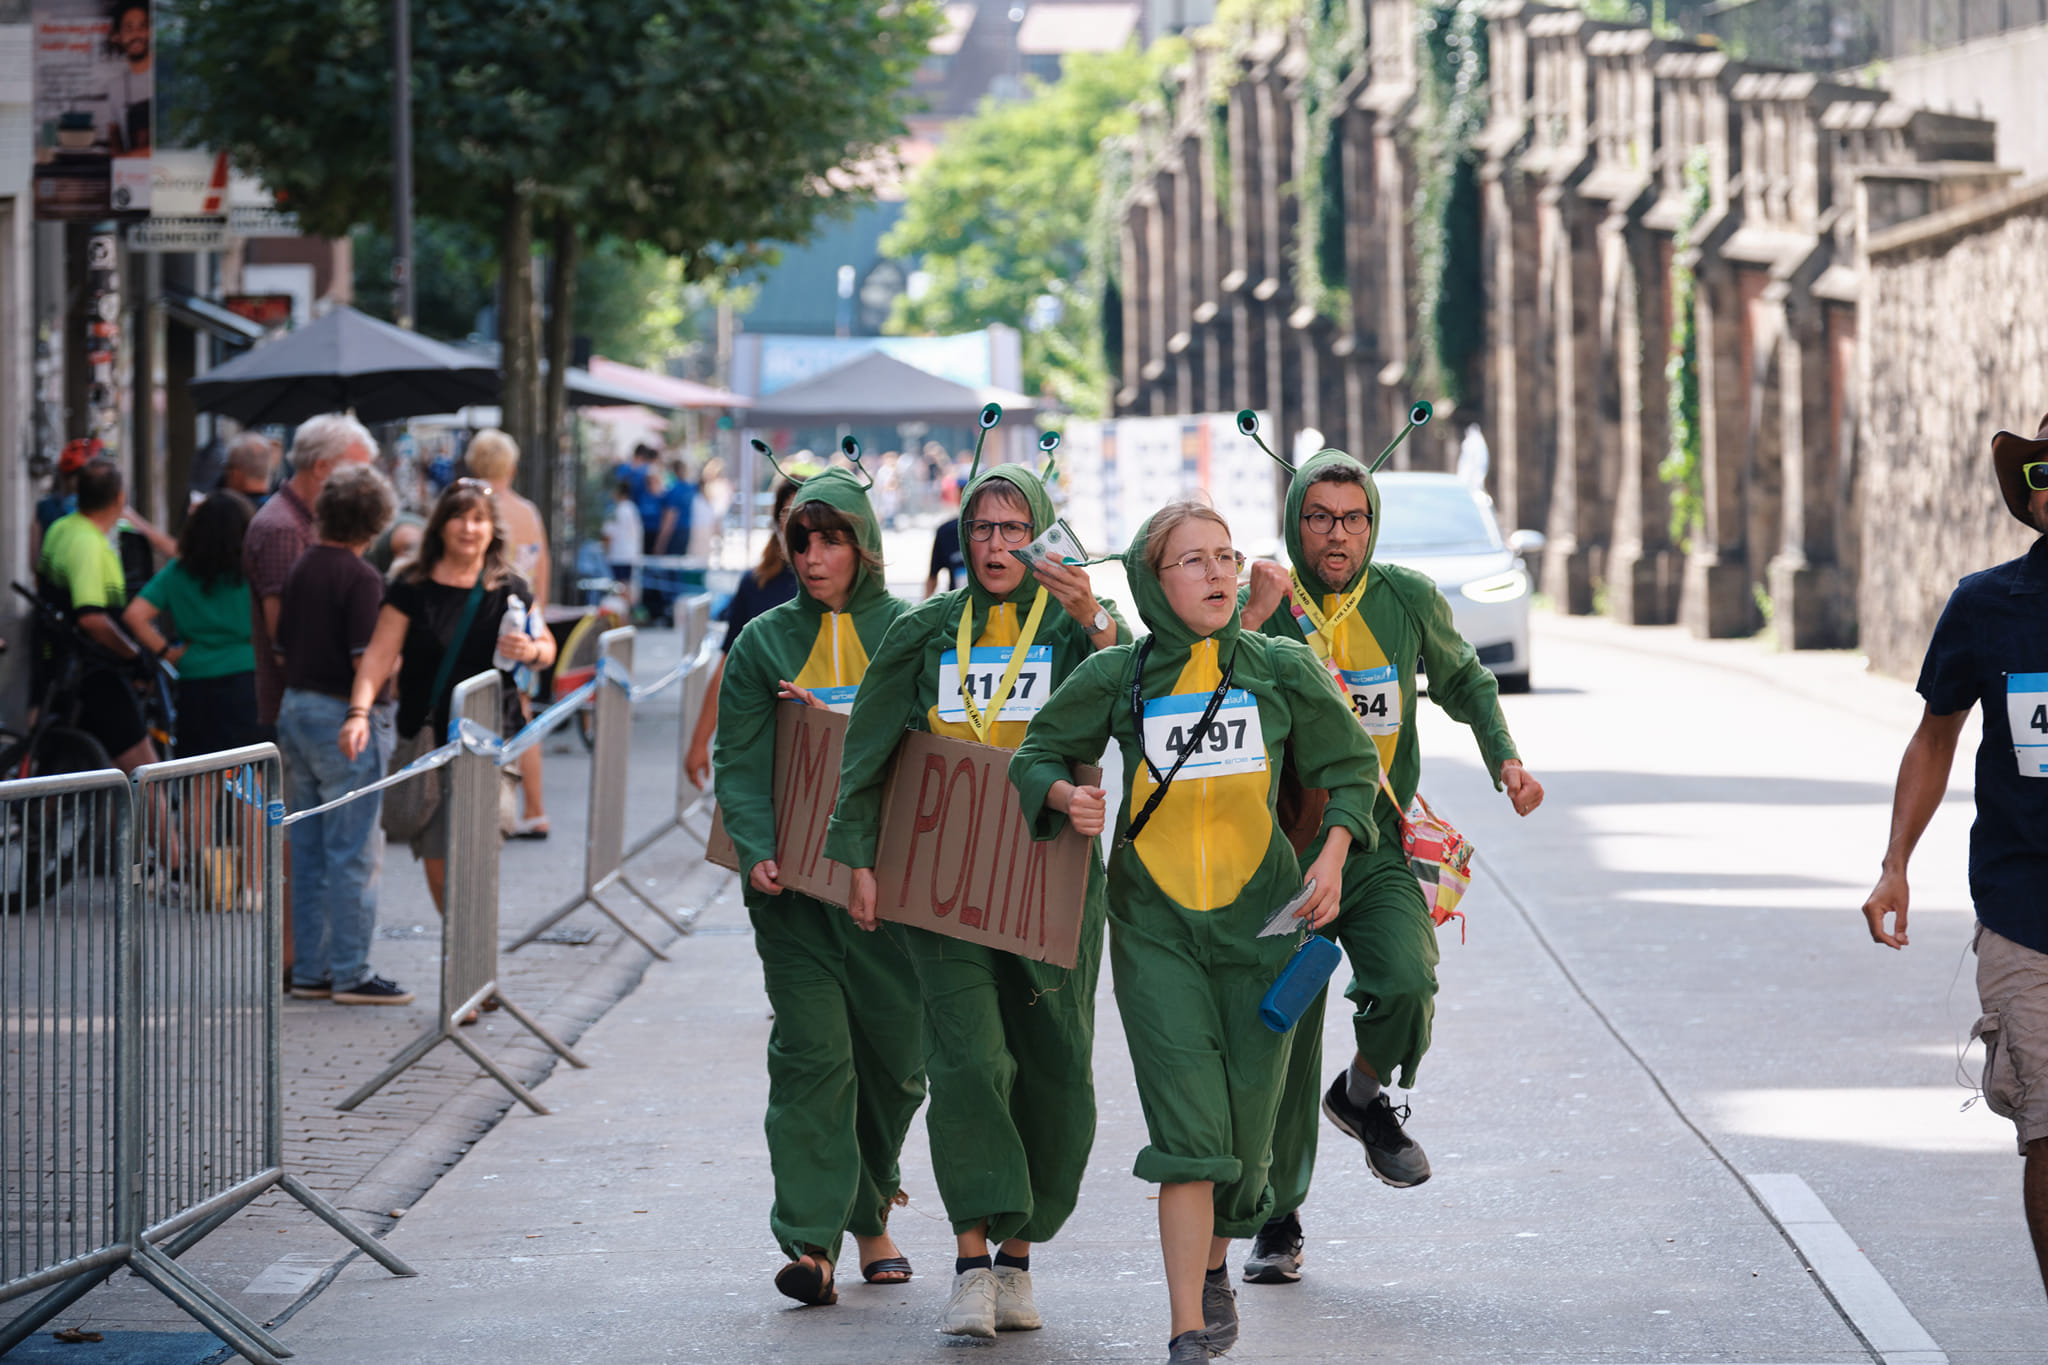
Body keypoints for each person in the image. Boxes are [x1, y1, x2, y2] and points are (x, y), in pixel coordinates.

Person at [1010, 500, 1381, 1363]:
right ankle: (1185, 1326)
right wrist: (1070, 798)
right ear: (1151, 578)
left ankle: (1215, 1261)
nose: (1217, 574)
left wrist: (1330, 858)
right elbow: (1035, 753)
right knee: (1189, 1134)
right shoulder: (1119, 675)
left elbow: (1353, 770)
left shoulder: (1279, 666)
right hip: (1155, 931)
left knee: (1245, 1145)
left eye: (1226, 556)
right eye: (1192, 560)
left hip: (1266, 931)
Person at [825, 456, 1127, 1341]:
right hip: (942, 878)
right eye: (983, 530)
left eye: (1015, 530)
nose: (998, 546)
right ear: (963, 538)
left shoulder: (1073, 626)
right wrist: (861, 862)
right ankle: (968, 1261)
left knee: (1057, 1067)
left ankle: (1018, 1259)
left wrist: (1094, 616)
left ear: (1040, 536)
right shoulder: (924, 628)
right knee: (968, 1062)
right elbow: (867, 752)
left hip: (1051, 874)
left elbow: (1142, 691)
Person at [1234, 443, 1543, 1285]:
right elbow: (1206, 682)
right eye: (1321, 518)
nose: (1338, 535)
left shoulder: (1404, 599)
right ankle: (1277, 1218)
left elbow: (1467, 681)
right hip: (1281, 858)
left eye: (1354, 518)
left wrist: (1505, 759)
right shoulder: (1263, 601)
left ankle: (1364, 1095)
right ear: (1296, 522)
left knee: (1408, 982)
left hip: (1372, 847)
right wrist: (1253, 616)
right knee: (1283, 1040)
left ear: (1373, 523)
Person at [713, 467, 926, 1307]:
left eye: (831, 537)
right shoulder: (762, 640)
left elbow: (948, 740)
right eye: (800, 539)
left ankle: (871, 1210)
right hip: (793, 897)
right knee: (813, 1056)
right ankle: (810, 1241)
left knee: (896, 1066)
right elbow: (738, 757)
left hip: (895, 898)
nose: (811, 555)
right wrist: (755, 846)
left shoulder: (912, 630)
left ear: (865, 543)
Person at [1862, 411, 2048, 1302]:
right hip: (2024, 915)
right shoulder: (1987, 605)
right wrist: (1896, 861)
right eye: (2043, 466)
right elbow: (1935, 737)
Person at [340, 479, 556, 913]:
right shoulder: (411, 588)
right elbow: (378, 658)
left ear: (492, 529)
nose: (468, 528)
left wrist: (530, 650)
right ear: (440, 526)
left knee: (479, 851)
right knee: (437, 859)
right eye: (459, 517)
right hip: (430, 739)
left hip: (493, 740)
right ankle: (465, 952)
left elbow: (546, 648)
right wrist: (358, 712)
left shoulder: (509, 587)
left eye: (478, 519)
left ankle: (474, 962)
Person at [275, 466, 404, 1005]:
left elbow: (282, 643)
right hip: (342, 714)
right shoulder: (361, 577)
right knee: (352, 850)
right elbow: (364, 659)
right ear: (375, 523)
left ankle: (311, 968)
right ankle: (351, 971)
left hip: (295, 708)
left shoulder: (304, 565)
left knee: (305, 847)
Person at [245, 413, 377, 742]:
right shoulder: (284, 529)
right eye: (357, 472)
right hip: (312, 710)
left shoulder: (301, 523)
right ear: (321, 468)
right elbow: (285, 637)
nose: (365, 484)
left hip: (314, 706)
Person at [35, 458, 159, 774]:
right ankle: (164, 828)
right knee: (147, 775)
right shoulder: (87, 544)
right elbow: (91, 618)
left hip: (64, 671)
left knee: (78, 776)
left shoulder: (62, 528)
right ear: (120, 497)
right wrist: (133, 656)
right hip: (97, 674)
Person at [683, 478, 802, 790]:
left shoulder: (844, 591)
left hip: (819, 740)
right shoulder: (757, 583)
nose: (797, 524)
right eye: (788, 513)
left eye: (808, 513)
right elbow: (727, 666)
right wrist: (699, 742)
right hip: (761, 739)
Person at [122, 490, 258, 759]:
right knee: (251, 782)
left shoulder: (179, 571)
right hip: (248, 677)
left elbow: (135, 615)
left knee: (198, 785)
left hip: (197, 681)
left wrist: (166, 653)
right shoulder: (254, 570)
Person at [464, 429, 552, 840]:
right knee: (521, 713)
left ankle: (506, 808)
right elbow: (542, 573)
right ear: (511, 466)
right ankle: (532, 807)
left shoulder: (470, 510)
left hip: (486, 624)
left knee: (500, 713)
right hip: (525, 624)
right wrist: (538, 626)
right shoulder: (528, 512)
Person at [924, 480, 966, 598]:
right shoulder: (946, 532)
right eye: (962, 492)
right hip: (957, 607)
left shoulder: (995, 529)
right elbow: (933, 576)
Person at [604, 479, 642, 591]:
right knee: (627, 587)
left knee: (621, 588)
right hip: (631, 555)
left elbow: (608, 535)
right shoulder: (633, 508)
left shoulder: (615, 510)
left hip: (618, 556)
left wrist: (605, 553)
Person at [221, 431, 281, 502]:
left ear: (236, 472)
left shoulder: (224, 509)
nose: (226, 473)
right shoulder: (278, 507)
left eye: (228, 466)